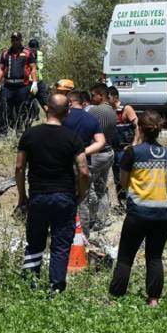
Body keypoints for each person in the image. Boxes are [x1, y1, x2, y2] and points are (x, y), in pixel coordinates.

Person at [15, 93, 90, 293]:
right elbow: (83, 171)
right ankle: (55, 288)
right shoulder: (73, 137)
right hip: (65, 196)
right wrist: (80, 195)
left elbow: (19, 167)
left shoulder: (30, 134)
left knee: (35, 242)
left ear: (46, 108)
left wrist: (22, 195)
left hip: (38, 196)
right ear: (67, 113)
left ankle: (29, 284)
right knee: (60, 245)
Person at [109, 110, 167, 305]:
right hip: (164, 212)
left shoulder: (133, 152)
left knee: (125, 256)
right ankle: (153, 299)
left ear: (139, 128)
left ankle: (116, 297)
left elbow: (123, 181)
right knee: (155, 257)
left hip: (139, 212)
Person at [62, 90, 107, 239]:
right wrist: (83, 152)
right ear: (82, 102)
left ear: (69, 102)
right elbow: (101, 142)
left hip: (62, 164)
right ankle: (83, 237)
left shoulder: (63, 117)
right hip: (83, 166)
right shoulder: (91, 119)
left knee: (63, 198)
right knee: (83, 201)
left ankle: (63, 233)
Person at [85, 83, 119, 234]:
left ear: (100, 95)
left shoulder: (96, 110)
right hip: (108, 152)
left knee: (87, 187)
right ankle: (103, 219)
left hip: (96, 154)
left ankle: (90, 218)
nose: (91, 98)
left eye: (93, 95)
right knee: (102, 187)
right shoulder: (111, 110)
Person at [0, 31, 37, 132]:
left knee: (21, 109)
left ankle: (20, 130)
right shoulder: (5, 53)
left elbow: (33, 68)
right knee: (4, 107)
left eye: (17, 39)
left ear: (21, 40)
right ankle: (4, 130)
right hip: (8, 85)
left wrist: (35, 82)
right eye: (13, 39)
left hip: (22, 85)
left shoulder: (27, 52)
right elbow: (1, 68)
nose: (15, 41)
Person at [108, 86, 138, 203]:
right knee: (117, 178)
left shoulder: (126, 108)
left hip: (125, 149)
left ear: (115, 97)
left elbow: (137, 126)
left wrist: (135, 143)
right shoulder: (109, 110)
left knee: (128, 176)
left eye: (108, 97)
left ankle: (131, 201)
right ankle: (121, 202)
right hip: (113, 149)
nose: (106, 100)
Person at [28, 38, 48, 106]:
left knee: (45, 102)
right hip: (28, 82)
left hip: (39, 81)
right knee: (27, 102)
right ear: (29, 48)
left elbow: (39, 67)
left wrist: (32, 59)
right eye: (32, 49)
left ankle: (50, 115)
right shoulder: (25, 54)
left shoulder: (39, 54)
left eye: (35, 49)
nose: (34, 50)